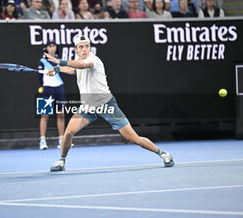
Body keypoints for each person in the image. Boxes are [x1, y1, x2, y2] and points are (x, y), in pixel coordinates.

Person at [44, 35, 174, 171]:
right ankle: (62, 161)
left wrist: (60, 62)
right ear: (76, 50)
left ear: (90, 48)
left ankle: (163, 153)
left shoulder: (93, 60)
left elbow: (83, 65)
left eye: (87, 46)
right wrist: (57, 69)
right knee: (68, 132)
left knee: (133, 138)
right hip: (87, 106)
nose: (84, 49)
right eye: (81, 47)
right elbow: (73, 69)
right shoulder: (78, 61)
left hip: (106, 105)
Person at [38, 41, 66, 150]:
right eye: (50, 46)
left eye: (54, 46)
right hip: (47, 89)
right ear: (46, 48)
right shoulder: (42, 61)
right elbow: (39, 77)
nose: (52, 48)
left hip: (59, 88)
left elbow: (63, 71)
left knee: (61, 114)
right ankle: (42, 141)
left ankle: (61, 140)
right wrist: (44, 86)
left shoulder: (59, 60)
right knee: (44, 115)